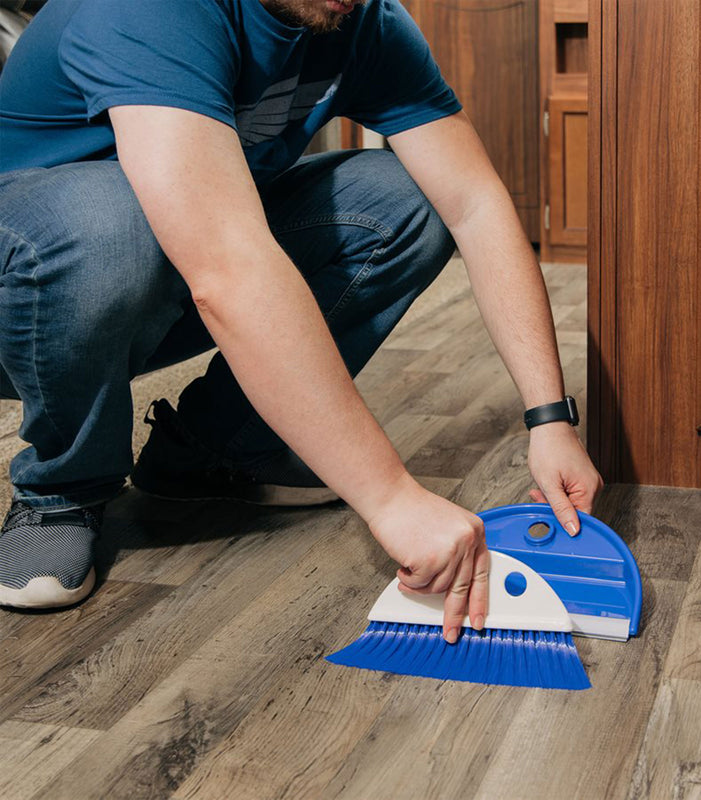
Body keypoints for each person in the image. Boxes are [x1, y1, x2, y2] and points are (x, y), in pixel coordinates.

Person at [0, 0, 602, 639]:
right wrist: (392, 499)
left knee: (408, 204)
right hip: (32, 293)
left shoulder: (363, 22)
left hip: (160, 271)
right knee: (109, 214)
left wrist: (550, 419)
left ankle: (212, 453)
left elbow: (476, 205)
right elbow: (227, 270)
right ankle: (62, 490)